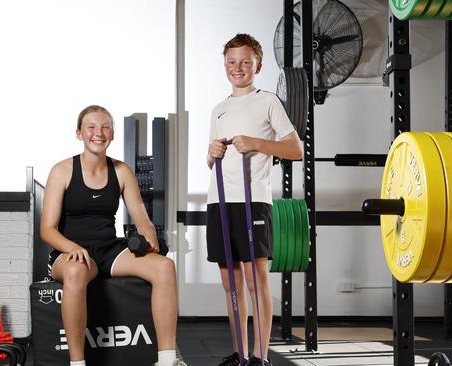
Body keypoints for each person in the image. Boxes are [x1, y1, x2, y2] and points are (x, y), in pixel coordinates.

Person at [41, 105, 187, 366]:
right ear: (79, 133)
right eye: (91, 127)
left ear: (112, 133)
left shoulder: (121, 171)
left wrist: (149, 234)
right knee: (75, 272)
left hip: (109, 250)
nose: (99, 133)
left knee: (165, 266)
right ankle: (77, 363)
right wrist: (72, 248)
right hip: (69, 251)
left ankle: (167, 360)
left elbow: (141, 218)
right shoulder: (61, 171)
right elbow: (47, 230)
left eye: (105, 126)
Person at [206, 34, 303, 366]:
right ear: (225, 65)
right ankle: (241, 355)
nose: (238, 68)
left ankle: (261, 358)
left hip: (253, 202)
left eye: (245, 62)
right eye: (232, 62)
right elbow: (213, 161)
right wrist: (211, 153)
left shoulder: (268, 101)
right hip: (218, 202)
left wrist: (257, 143)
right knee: (229, 281)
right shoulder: (218, 110)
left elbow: (295, 149)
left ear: (257, 65)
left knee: (253, 278)